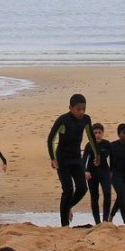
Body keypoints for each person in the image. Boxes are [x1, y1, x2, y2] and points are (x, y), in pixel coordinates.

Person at [46, 93, 100, 227]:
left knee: (82, 188)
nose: (81, 112)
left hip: (76, 158)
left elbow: (91, 137)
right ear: (70, 108)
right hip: (62, 159)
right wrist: (53, 158)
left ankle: (67, 206)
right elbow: (51, 139)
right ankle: (64, 225)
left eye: (84, 109)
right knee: (68, 189)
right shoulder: (63, 120)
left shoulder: (86, 119)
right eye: (78, 109)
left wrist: (97, 154)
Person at [84, 123, 113, 225]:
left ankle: (105, 220)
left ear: (103, 133)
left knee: (107, 193)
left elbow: (112, 158)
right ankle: (97, 222)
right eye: (95, 133)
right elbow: (84, 160)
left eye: (99, 132)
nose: (97, 135)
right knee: (94, 197)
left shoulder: (107, 144)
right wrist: (86, 171)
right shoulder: (88, 145)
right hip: (92, 174)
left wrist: (112, 171)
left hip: (104, 172)